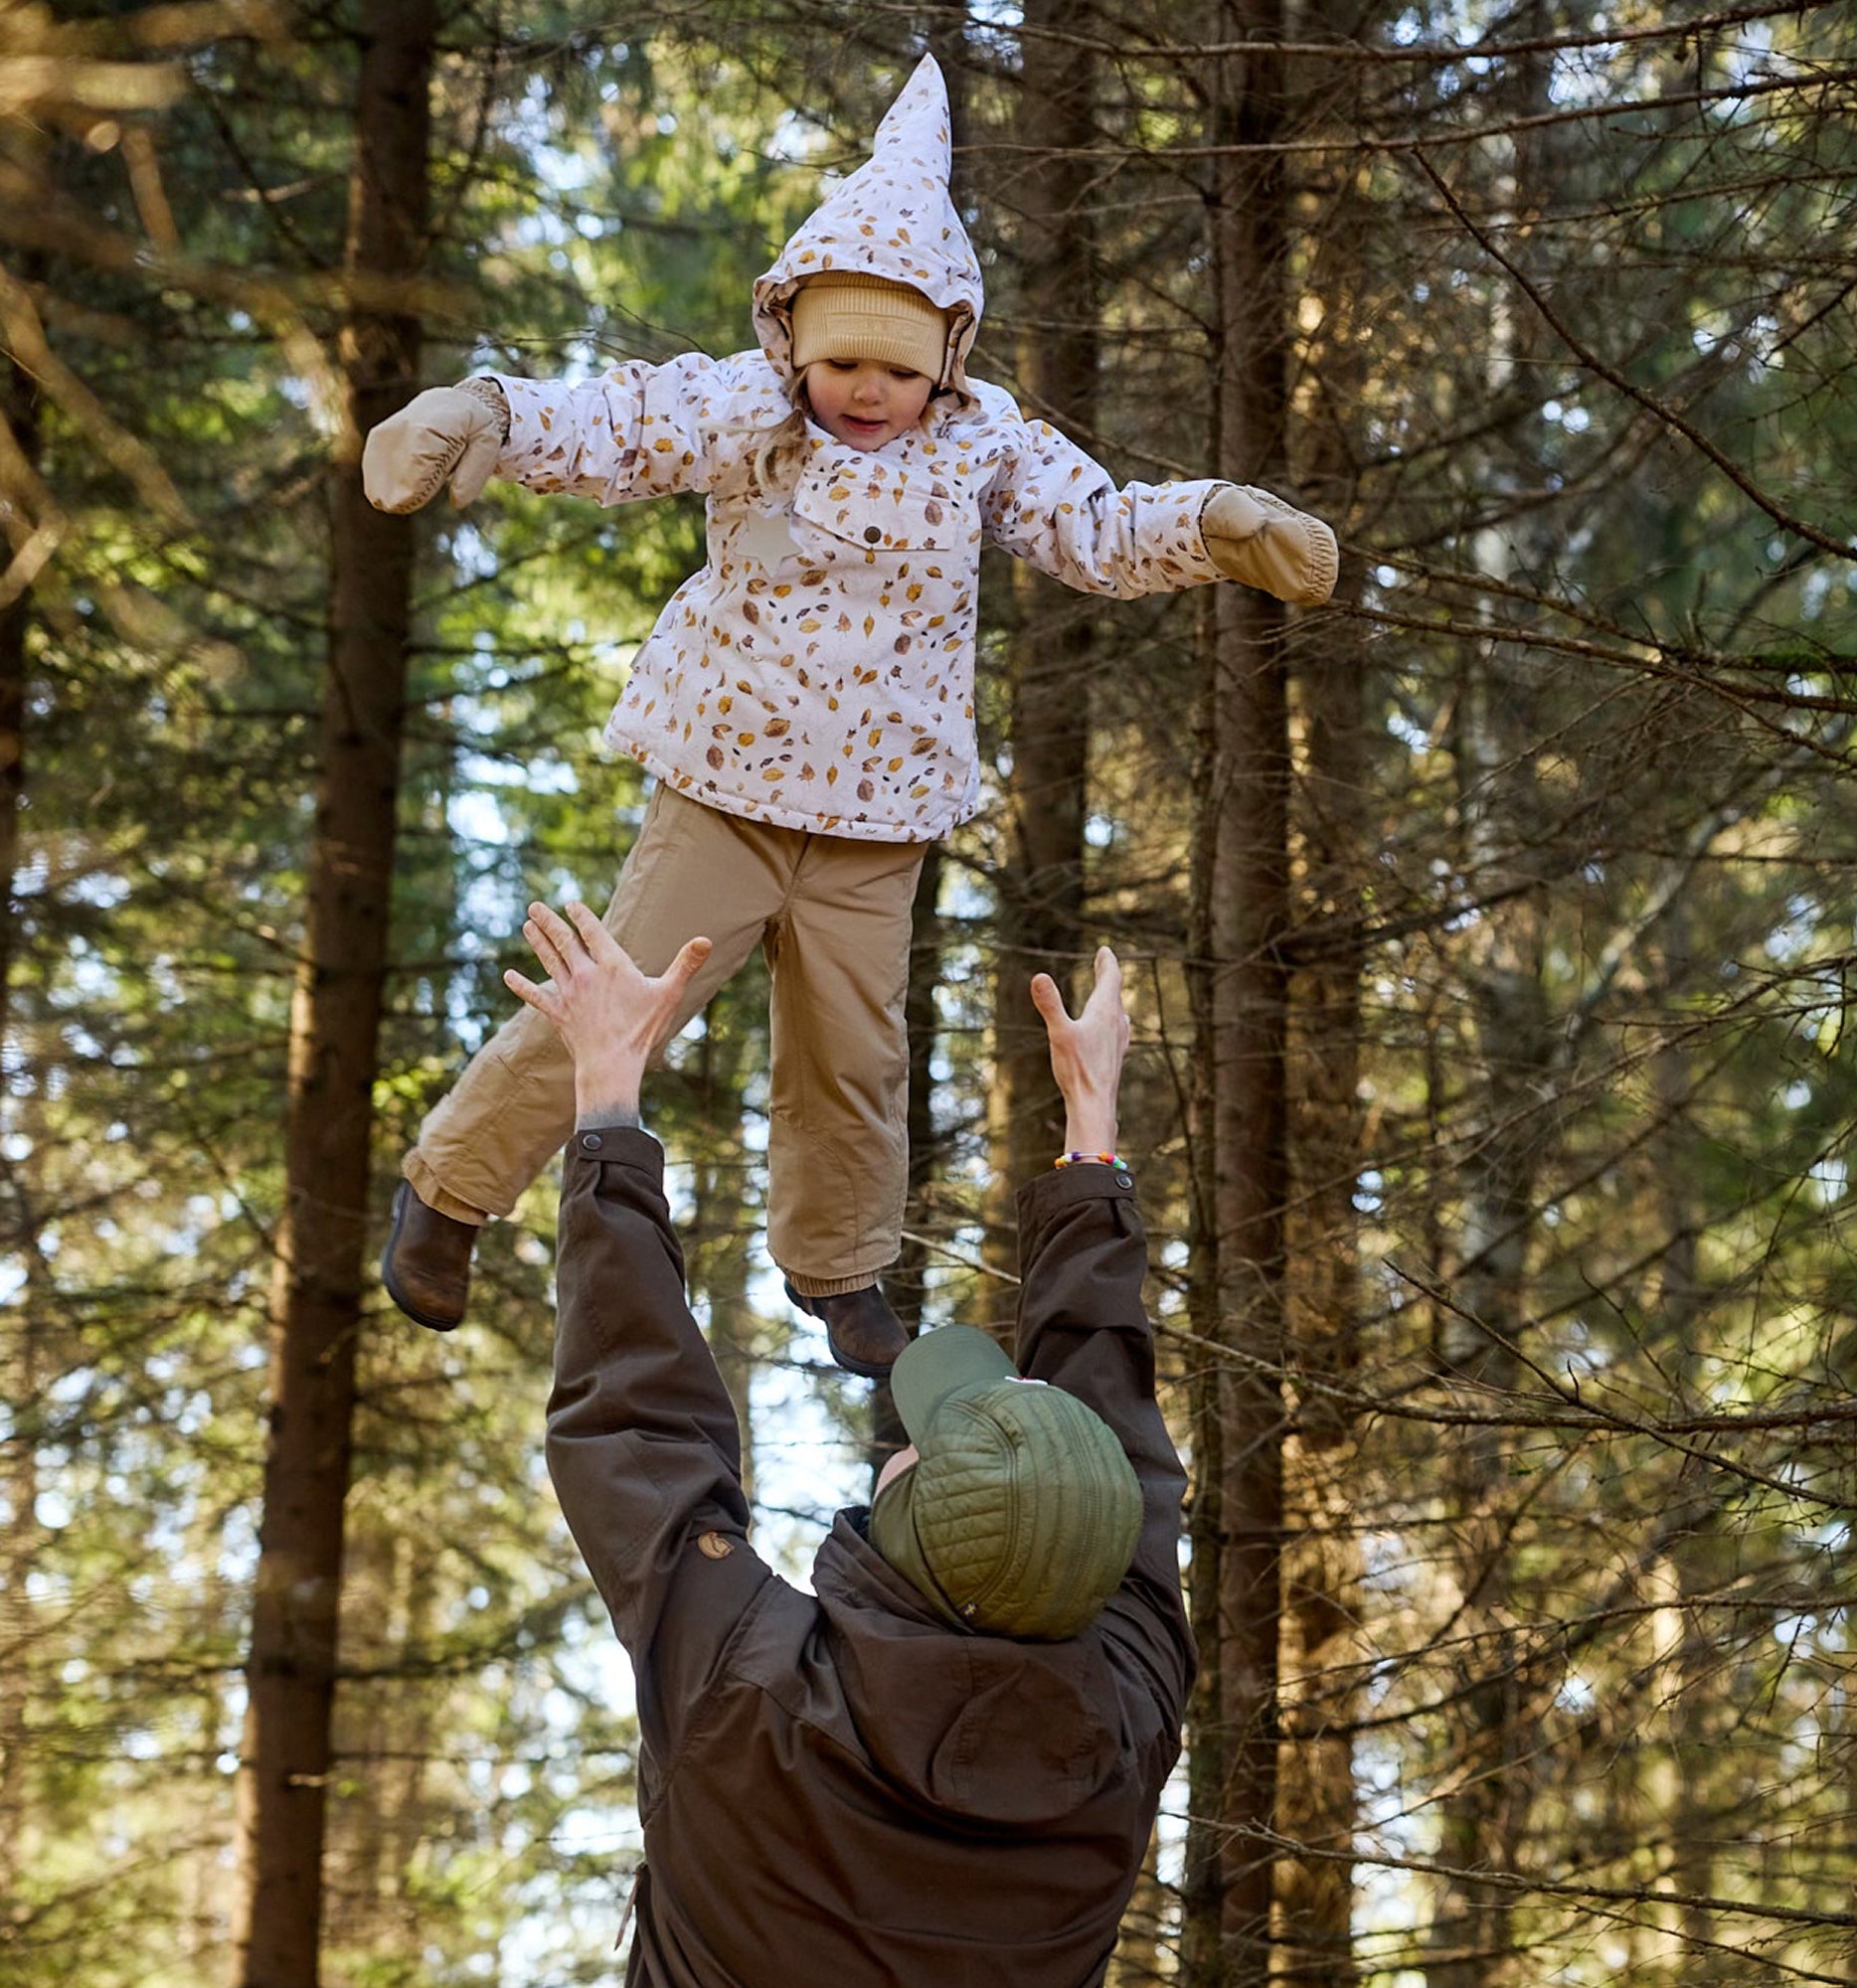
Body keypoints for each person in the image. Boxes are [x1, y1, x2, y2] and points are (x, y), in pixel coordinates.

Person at [363, 56, 1338, 1376]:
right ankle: (452, 1190)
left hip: (878, 818)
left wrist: (1219, 525)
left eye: (895, 366)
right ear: (791, 343)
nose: (865, 391)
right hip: (725, 788)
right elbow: (621, 420)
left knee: (852, 1061)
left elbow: (1096, 528)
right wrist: (485, 412)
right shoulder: (749, 413)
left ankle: (839, 1275)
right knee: (620, 1009)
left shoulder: (987, 443)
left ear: (948, 356)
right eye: (839, 363)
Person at [505, 895, 1194, 1988]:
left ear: (907, 1527)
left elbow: (635, 1412)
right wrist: (1088, 1140)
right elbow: (636, 1433)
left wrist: (604, 1088)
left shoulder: (752, 1689)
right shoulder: (1121, 1726)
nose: (894, 1446)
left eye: (915, 1449)